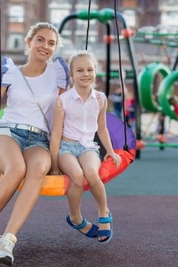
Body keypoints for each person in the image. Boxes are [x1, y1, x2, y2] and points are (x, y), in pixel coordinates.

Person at [0, 22, 69, 267]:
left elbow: (65, 111)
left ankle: (6, 241)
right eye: (40, 40)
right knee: (16, 169)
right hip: (8, 134)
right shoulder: (12, 72)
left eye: (51, 43)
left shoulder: (58, 73)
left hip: (39, 138)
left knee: (39, 167)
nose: (46, 46)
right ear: (29, 42)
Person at [50, 50, 122, 244]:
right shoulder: (62, 100)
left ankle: (103, 212)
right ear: (72, 75)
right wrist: (54, 164)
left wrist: (111, 151)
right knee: (77, 176)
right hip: (66, 147)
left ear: (95, 72)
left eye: (89, 69)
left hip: (88, 147)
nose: (85, 74)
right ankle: (75, 217)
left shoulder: (100, 99)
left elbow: (102, 128)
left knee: (91, 172)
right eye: (80, 70)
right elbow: (56, 133)